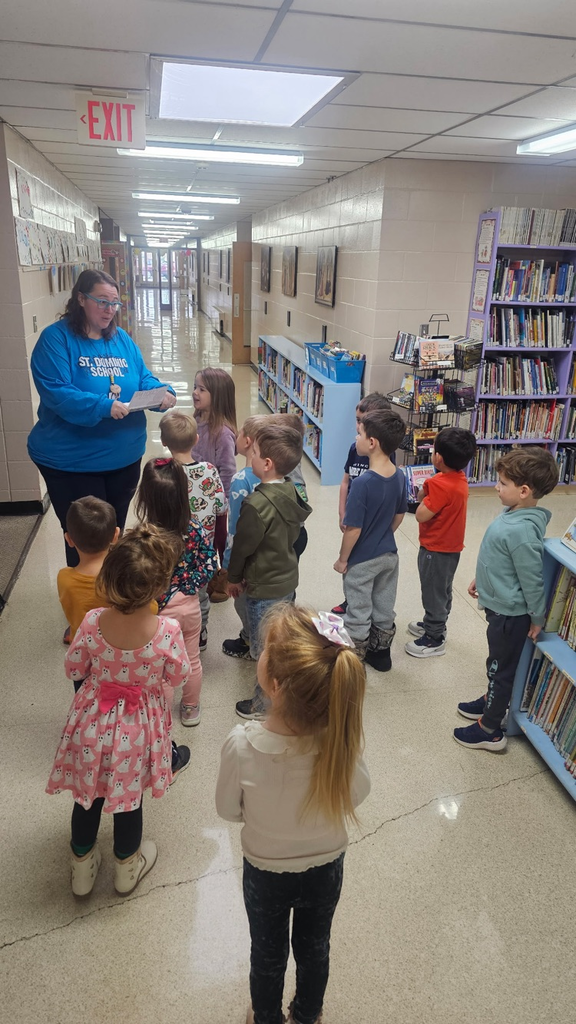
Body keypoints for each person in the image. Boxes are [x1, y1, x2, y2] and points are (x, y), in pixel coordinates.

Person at [215, 603, 370, 1024]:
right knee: (315, 947)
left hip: (265, 871)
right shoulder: (340, 740)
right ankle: (307, 1015)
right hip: (326, 866)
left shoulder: (242, 745)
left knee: (267, 953)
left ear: (276, 683)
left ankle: (265, 1017)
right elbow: (359, 792)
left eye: (265, 649)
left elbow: (227, 810)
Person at [46, 525, 190, 898]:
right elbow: (178, 674)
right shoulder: (167, 630)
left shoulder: (93, 622)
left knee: (88, 797)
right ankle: (127, 868)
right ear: (160, 588)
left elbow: (74, 669)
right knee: (130, 800)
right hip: (139, 729)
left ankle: (82, 869)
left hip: (92, 723)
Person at [27, 269, 177, 567]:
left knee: (114, 532)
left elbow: (142, 377)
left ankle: (112, 594)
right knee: (86, 538)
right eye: (102, 301)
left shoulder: (120, 339)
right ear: (81, 299)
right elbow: (58, 393)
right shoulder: (56, 339)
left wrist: (162, 392)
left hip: (123, 458)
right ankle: (87, 604)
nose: (110, 310)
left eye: (114, 303)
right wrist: (102, 406)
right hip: (72, 462)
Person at [454, 447, 559, 751]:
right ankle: (491, 701)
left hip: (510, 616)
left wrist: (538, 618)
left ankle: (490, 729)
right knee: (496, 664)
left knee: (501, 670)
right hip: (498, 606)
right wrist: (482, 580)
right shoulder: (514, 513)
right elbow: (502, 561)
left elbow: (532, 581)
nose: (496, 488)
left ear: (524, 491)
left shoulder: (524, 531)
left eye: (501, 483)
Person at [227, 423, 312, 718]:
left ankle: (263, 705)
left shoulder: (255, 504)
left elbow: (242, 547)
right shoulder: (292, 491)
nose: (250, 458)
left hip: (262, 585)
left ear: (267, 464)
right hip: (287, 578)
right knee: (280, 638)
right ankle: (288, 688)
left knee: (265, 652)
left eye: (256, 453)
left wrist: (233, 577)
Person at [135, 457, 218, 727]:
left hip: (159, 614)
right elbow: (208, 565)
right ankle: (191, 709)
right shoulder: (194, 529)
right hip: (190, 608)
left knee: (161, 668)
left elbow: (139, 576)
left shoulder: (144, 537)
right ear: (184, 493)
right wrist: (189, 586)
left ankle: (161, 715)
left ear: (145, 499)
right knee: (192, 660)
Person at [334, 409, 407, 671]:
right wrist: (382, 534)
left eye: (360, 433)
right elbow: (399, 515)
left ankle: (354, 660)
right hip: (389, 555)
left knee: (359, 607)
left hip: (362, 559)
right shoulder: (400, 475)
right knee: (384, 604)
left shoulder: (362, 483)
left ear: (372, 442)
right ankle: (382, 654)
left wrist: (343, 559)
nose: (357, 437)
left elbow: (353, 529)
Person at [404, 427, 477, 659]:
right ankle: (435, 624)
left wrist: (425, 488)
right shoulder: (460, 479)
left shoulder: (438, 484)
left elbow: (421, 513)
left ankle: (434, 638)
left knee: (432, 591)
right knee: (443, 589)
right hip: (452, 548)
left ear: (438, 458)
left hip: (434, 548)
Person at [160, 409, 227, 650]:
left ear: (164, 441)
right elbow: (221, 510)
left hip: (168, 551)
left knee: (167, 592)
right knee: (199, 595)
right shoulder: (209, 471)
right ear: (197, 439)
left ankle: (168, 632)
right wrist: (219, 548)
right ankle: (200, 632)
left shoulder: (161, 474)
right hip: (201, 551)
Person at [332, 392, 394, 616]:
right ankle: (351, 601)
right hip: (353, 517)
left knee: (362, 566)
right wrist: (342, 512)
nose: (358, 427)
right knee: (350, 564)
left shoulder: (385, 457)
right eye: (357, 420)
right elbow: (346, 480)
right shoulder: (354, 449)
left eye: (363, 422)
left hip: (370, 524)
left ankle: (360, 606)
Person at [192, 366, 237, 599]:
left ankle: (223, 577)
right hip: (195, 497)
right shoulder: (196, 420)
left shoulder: (223, 433)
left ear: (217, 396)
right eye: (195, 387)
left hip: (215, 501)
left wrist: (226, 502)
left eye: (202, 389)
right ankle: (207, 573)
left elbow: (228, 470)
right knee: (200, 537)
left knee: (218, 539)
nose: (195, 393)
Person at [57, 496, 119, 646]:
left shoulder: (64, 578)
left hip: (84, 643)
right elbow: (151, 608)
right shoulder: (124, 577)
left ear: (69, 540)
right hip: (119, 641)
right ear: (115, 536)